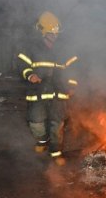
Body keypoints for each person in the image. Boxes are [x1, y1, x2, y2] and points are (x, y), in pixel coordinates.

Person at [18, 11, 78, 166]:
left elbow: (74, 69)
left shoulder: (64, 49)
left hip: (59, 93)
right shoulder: (31, 48)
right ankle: (42, 140)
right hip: (38, 92)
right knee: (36, 122)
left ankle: (56, 152)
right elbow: (22, 65)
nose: (55, 36)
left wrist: (71, 85)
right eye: (52, 33)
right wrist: (30, 75)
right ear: (43, 32)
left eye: (56, 33)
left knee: (57, 125)